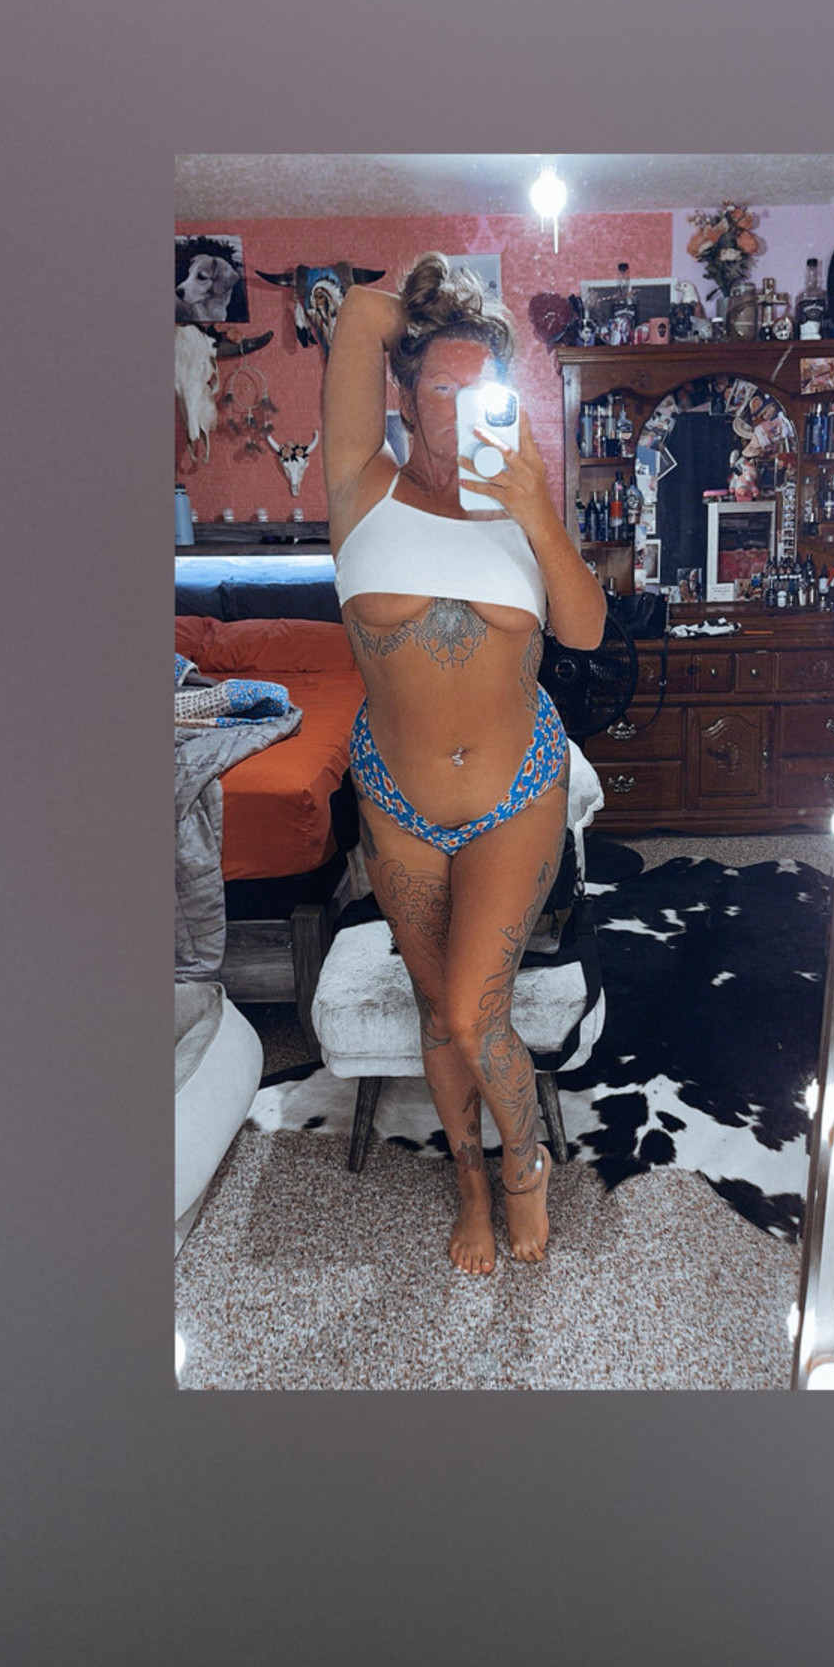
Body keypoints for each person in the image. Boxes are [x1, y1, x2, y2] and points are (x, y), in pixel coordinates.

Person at [322, 254, 606, 1274]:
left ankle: (525, 1167)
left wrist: (534, 508)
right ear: (403, 396)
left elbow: (585, 629)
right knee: (436, 1017)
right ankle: (471, 1185)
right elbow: (361, 312)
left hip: (514, 792)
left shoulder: (521, 499)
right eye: (436, 389)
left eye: (476, 390)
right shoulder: (361, 486)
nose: (454, 411)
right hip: (397, 804)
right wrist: (446, 306)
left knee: (473, 1011)